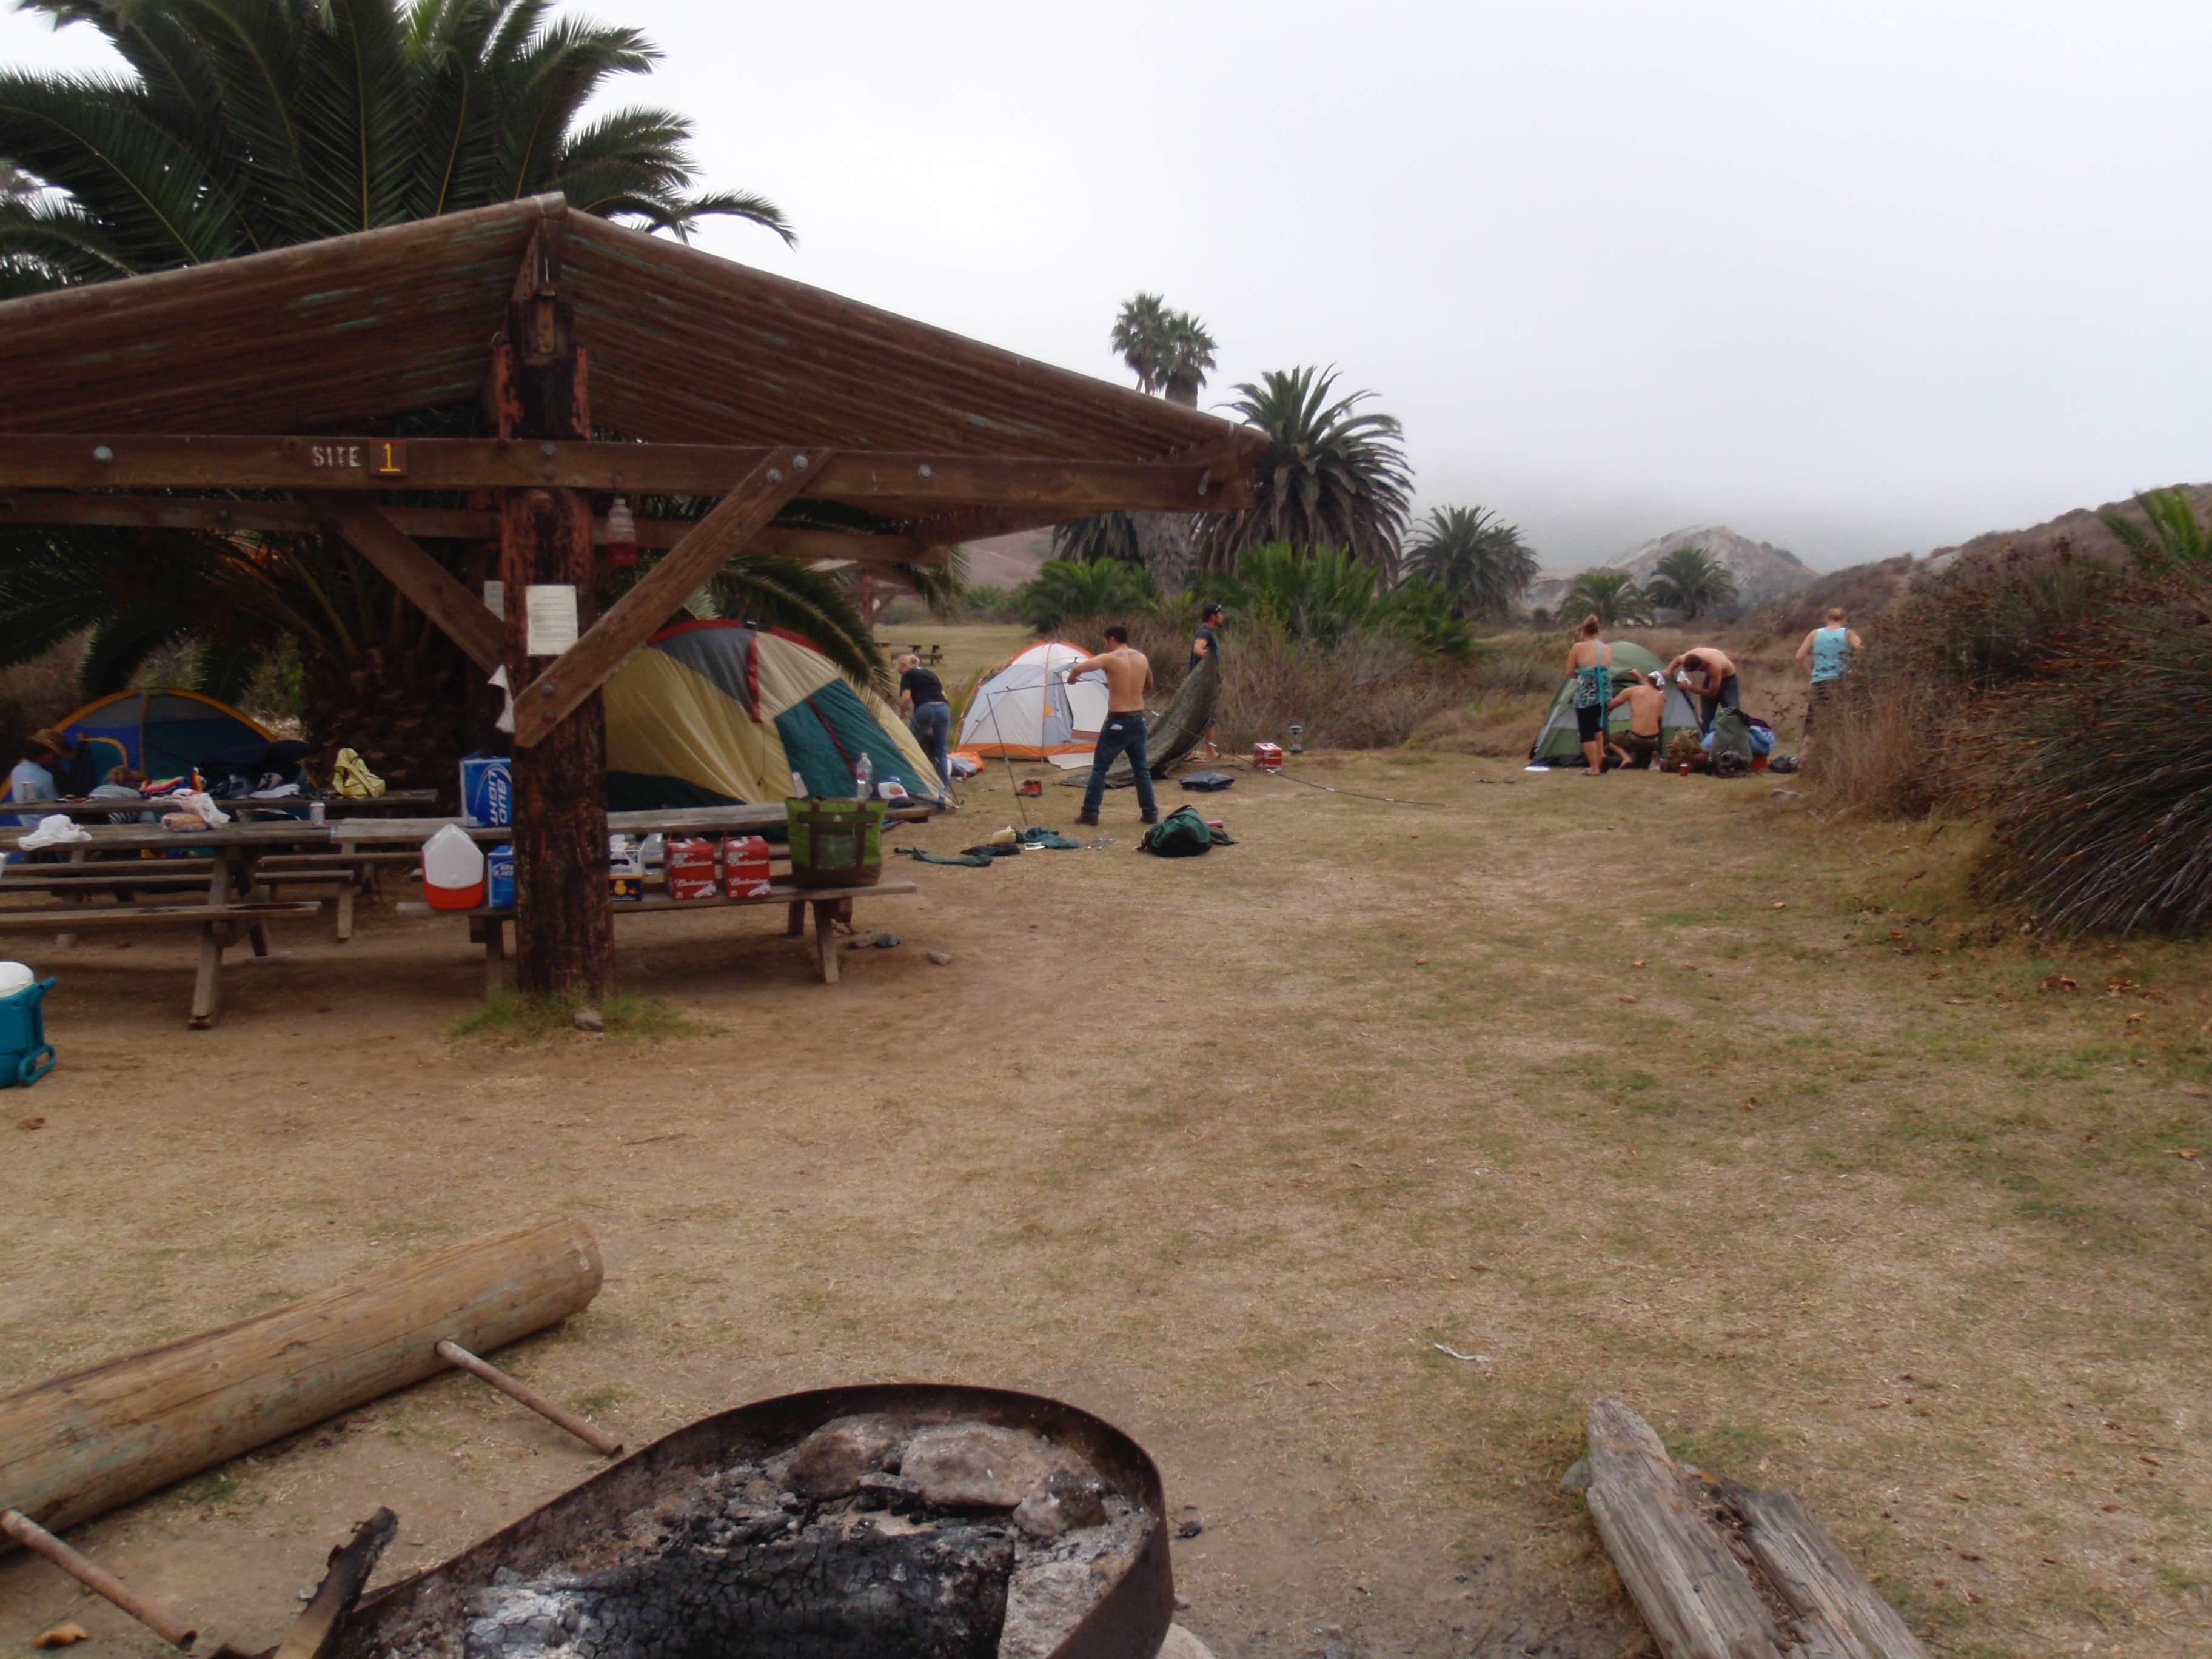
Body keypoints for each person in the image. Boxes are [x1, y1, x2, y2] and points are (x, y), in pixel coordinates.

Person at [1067, 625, 1156, 826]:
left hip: (1118, 720)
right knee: (1141, 769)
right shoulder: (1142, 658)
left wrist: (1072, 679)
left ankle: (1090, 813)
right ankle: (1150, 813)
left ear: (1112, 640)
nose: (1106, 646)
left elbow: (1079, 668)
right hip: (1138, 720)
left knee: (1100, 768)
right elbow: (1149, 682)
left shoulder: (1110, 658)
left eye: (1106, 642)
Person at [1795, 608, 1863, 737]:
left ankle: (1805, 755)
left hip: (1819, 683)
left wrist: (1812, 675)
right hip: (1841, 682)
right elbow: (1862, 651)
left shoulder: (1814, 634)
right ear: (1844, 620)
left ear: (1826, 619)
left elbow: (1799, 657)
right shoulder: (1848, 634)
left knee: (1812, 726)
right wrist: (1854, 670)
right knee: (1842, 722)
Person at [1563, 615, 1614, 776]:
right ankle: (1602, 755)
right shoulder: (1607, 649)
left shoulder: (1578, 647)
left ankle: (1594, 768)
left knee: (1586, 732)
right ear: (1598, 631)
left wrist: (1581, 674)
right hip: (1604, 695)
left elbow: (1569, 672)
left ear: (1583, 631)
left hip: (1587, 696)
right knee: (1597, 728)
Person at [896, 652, 953, 786]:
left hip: (925, 709)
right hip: (943, 709)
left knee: (909, 744)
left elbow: (906, 698)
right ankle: (943, 787)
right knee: (941, 750)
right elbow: (945, 697)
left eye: (899, 671)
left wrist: (901, 715)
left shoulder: (908, 675)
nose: (900, 674)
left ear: (904, 666)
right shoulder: (932, 675)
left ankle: (909, 781)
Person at [1663, 645, 1739, 736]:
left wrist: (1689, 687)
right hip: (1713, 678)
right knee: (1707, 715)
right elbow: (1678, 660)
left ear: (1699, 668)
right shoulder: (1689, 657)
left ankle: (1735, 738)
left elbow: (1712, 694)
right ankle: (1706, 738)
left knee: (1732, 713)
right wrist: (1668, 670)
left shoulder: (1713, 667)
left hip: (1728, 679)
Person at [1608, 671, 1671, 769]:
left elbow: (1610, 706)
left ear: (1647, 679)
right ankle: (1651, 757)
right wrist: (1638, 676)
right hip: (1654, 741)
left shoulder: (1632, 691)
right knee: (1642, 760)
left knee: (1608, 740)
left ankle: (1625, 758)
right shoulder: (1662, 698)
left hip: (1636, 738)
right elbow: (1648, 689)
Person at [1190, 600, 1225, 760]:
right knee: (1203, 715)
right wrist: (1206, 657)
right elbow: (1198, 649)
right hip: (1202, 683)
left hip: (1208, 682)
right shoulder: (1205, 632)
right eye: (1220, 614)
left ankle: (1209, 751)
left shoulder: (1210, 633)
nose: (1222, 617)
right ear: (1213, 617)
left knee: (1209, 716)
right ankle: (1207, 751)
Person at [4, 731, 61, 828]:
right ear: (46, 755)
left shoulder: (16, 771)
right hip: (45, 826)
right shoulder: (45, 776)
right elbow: (57, 807)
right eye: (54, 756)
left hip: (25, 823)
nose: (56, 760)